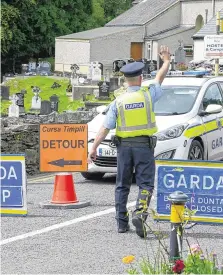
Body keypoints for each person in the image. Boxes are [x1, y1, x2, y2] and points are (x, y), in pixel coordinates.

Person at [88, 45, 171, 238]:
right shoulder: (148, 95)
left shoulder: (118, 102)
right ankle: (140, 213)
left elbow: (104, 128)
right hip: (144, 148)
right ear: (141, 78)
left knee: (122, 185)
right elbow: (159, 78)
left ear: (125, 80)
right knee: (146, 184)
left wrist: (94, 148)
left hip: (124, 148)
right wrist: (166, 61)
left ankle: (121, 223)